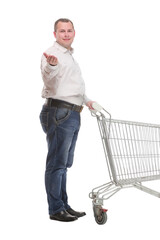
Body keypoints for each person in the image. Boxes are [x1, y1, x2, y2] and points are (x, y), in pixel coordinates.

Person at [39, 18, 94, 222]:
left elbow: (72, 86)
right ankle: (55, 209)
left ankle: (63, 205)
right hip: (59, 113)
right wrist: (52, 66)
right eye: (61, 31)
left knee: (64, 163)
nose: (66, 34)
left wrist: (87, 101)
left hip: (72, 112)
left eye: (69, 30)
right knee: (57, 164)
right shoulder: (52, 55)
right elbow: (49, 78)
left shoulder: (70, 56)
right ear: (55, 34)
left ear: (74, 32)